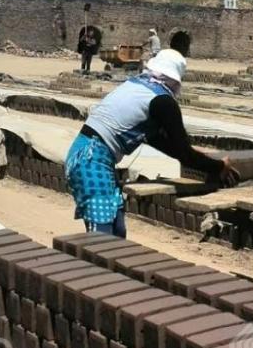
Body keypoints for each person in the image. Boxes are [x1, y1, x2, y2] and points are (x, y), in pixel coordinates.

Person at [65, 49, 239, 237]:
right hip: (91, 160)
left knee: (117, 230)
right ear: (176, 79)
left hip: (87, 154)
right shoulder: (162, 101)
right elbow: (184, 155)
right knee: (101, 236)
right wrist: (219, 166)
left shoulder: (137, 85)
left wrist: (198, 155)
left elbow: (160, 141)